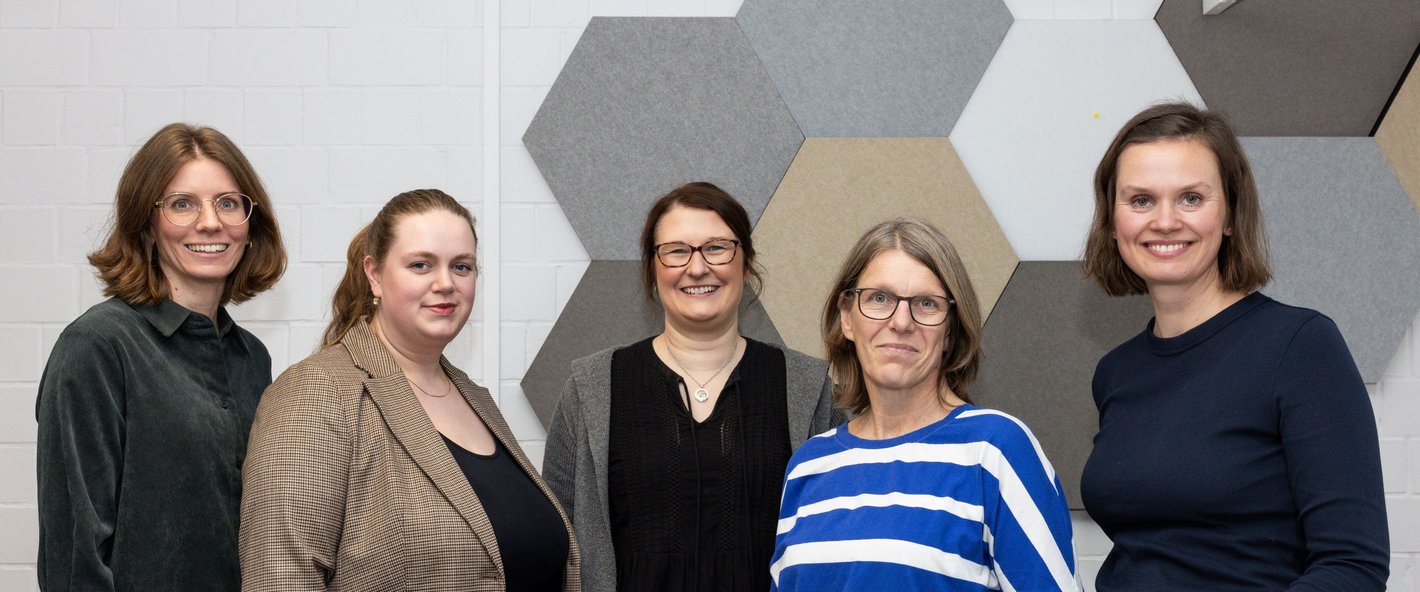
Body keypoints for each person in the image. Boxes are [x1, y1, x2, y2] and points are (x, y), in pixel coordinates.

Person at [1079, 102, 1389, 590]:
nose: (1164, 221)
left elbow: (1352, 567)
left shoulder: (1301, 347)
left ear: (1229, 214)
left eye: (1190, 198)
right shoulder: (1116, 372)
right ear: (1113, 219)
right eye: (1140, 200)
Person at [239, 189, 579, 591]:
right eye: (421, 265)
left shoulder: (473, 397)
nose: (445, 283)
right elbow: (281, 576)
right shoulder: (317, 392)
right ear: (375, 275)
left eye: (462, 267)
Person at [543, 182, 841, 592]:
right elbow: (558, 542)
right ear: (652, 267)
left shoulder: (807, 388)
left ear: (747, 262)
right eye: (677, 250)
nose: (697, 267)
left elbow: (837, 539)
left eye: (717, 247)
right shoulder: (591, 387)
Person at [35, 123, 287, 591]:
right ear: (146, 227)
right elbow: (75, 552)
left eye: (228, 203)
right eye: (182, 203)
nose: (210, 223)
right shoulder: (98, 347)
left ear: (250, 227)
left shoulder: (253, 358)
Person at [771, 218, 1077, 592]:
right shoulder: (808, 467)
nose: (901, 322)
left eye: (927, 304)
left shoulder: (995, 450)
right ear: (847, 317)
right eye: (879, 298)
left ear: (950, 330)